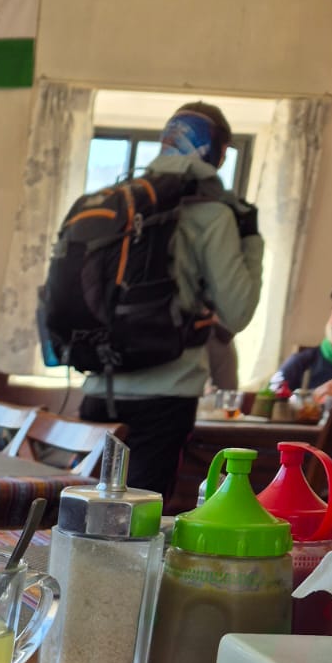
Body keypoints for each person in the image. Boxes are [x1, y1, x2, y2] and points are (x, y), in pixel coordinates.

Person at [77, 102, 264, 500]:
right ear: (216, 151)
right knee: (140, 522)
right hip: (165, 395)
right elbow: (238, 311)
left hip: (99, 387)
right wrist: (251, 239)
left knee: (87, 516)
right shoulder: (213, 215)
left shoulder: (116, 200)